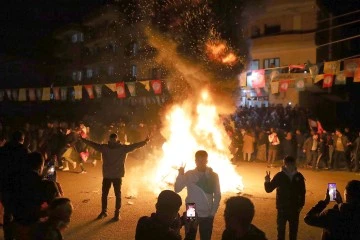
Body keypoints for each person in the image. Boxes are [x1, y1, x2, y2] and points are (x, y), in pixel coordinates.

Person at [81, 133, 149, 221]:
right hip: (109, 175)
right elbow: (93, 144)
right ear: (112, 140)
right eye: (112, 140)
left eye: (114, 140)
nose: (113, 142)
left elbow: (134, 146)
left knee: (117, 195)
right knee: (106, 194)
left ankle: (116, 213)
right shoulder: (109, 148)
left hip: (115, 175)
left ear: (115, 140)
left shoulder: (119, 148)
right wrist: (83, 140)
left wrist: (145, 142)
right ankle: (104, 212)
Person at [174, 150, 221, 240]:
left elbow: (217, 194)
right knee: (190, 237)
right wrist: (180, 175)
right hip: (191, 208)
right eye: (199, 160)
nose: (201, 163)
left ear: (207, 161)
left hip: (207, 212)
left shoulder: (213, 175)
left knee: (206, 237)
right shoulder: (189, 174)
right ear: (195, 161)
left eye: (203, 160)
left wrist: (212, 212)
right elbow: (177, 189)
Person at [264, 155, 306, 240]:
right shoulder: (280, 176)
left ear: (294, 164)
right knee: (281, 232)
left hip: (294, 208)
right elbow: (269, 189)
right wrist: (267, 181)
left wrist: (301, 205)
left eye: (292, 164)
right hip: (282, 208)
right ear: (285, 164)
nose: (290, 167)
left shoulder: (299, 176)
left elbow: (302, 192)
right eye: (288, 164)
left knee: (293, 232)